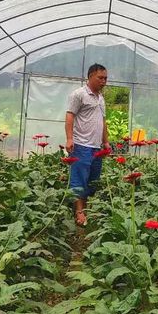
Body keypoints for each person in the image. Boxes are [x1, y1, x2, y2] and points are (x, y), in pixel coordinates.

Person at [65, 63, 109, 226]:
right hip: (81, 145)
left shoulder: (101, 98)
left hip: (96, 147)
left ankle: (84, 208)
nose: (104, 81)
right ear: (90, 76)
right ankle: (79, 212)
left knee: (92, 181)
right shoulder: (79, 94)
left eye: (105, 78)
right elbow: (70, 116)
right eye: (100, 78)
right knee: (79, 179)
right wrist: (70, 139)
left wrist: (105, 141)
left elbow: (103, 122)